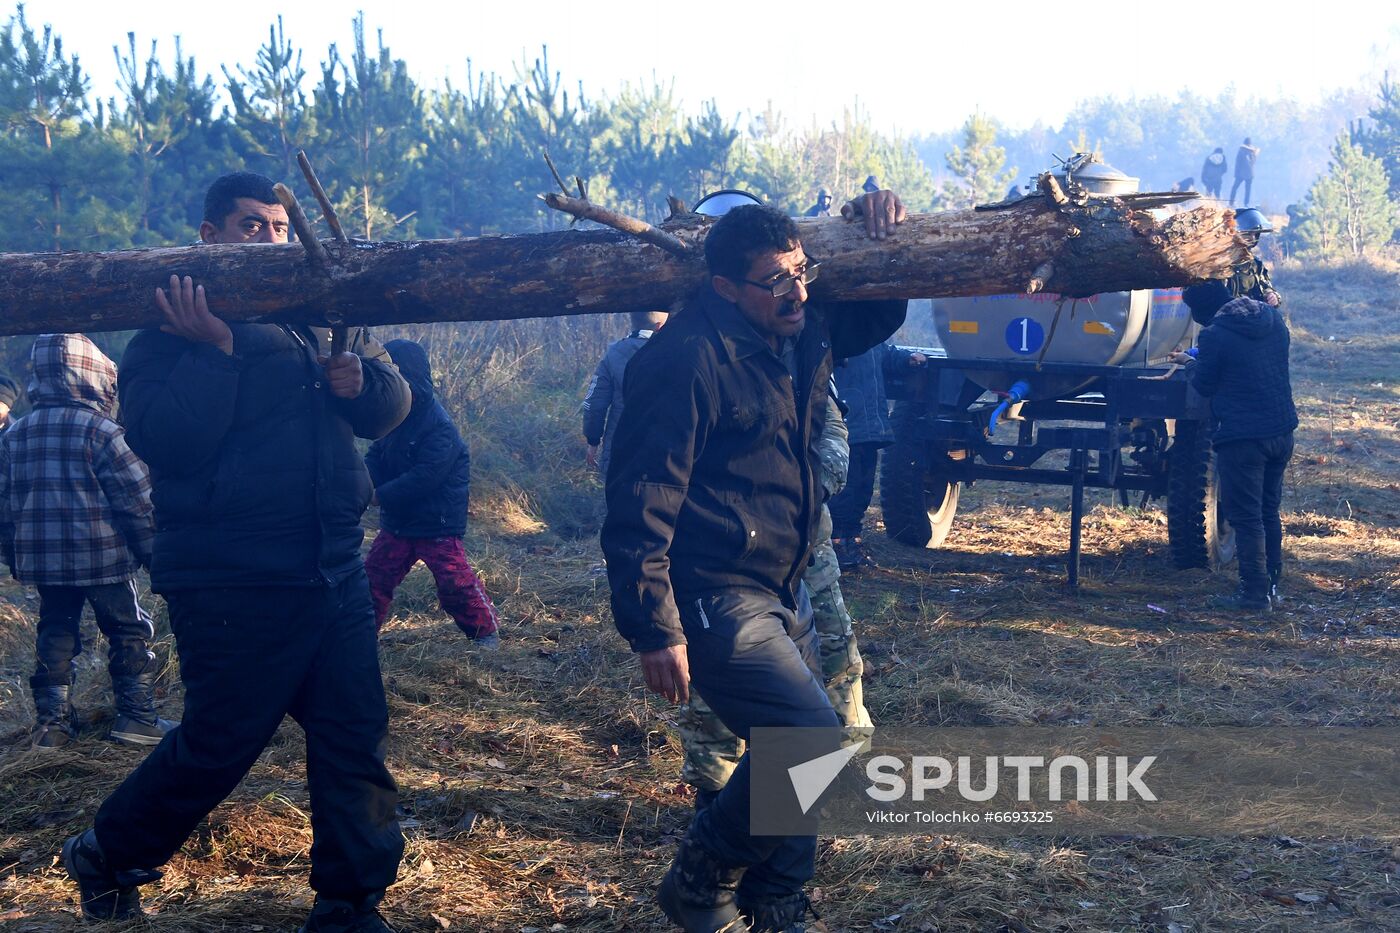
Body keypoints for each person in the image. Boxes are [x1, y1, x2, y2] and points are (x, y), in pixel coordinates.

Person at [60, 171, 411, 931]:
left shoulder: (312, 316)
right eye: (252, 226)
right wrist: (217, 352)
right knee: (221, 742)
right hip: (233, 580)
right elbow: (169, 444)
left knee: (354, 732)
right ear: (209, 238)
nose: (271, 241)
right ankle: (104, 855)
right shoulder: (159, 336)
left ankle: (350, 903)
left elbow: (390, 410)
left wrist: (362, 383)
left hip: (332, 567)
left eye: (280, 228)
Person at [602, 192, 907, 932]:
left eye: (802, 272)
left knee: (814, 744)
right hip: (712, 592)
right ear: (725, 288)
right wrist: (654, 629)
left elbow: (880, 314)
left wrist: (885, 233)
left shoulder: (796, 331)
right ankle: (701, 871)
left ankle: (777, 906)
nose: (797, 292)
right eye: (775, 280)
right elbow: (639, 500)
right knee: (806, 743)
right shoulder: (681, 363)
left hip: (784, 581)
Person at [0, 334, 173, 749]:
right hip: (104, 560)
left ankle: (51, 725)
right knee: (128, 628)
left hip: (46, 562)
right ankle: (136, 717)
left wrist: (14, 555)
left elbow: (3, 505)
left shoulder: (15, 435)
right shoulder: (104, 432)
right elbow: (137, 501)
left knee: (55, 631)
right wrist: (154, 555)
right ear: (95, 376)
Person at [365, 338, 499, 645]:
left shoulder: (439, 427)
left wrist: (379, 495)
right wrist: (366, 480)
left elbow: (425, 477)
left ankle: (485, 633)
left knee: (455, 583)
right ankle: (360, 634)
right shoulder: (391, 416)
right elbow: (376, 454)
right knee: (374, 579)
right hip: (398, 524)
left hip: (436, 523)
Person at [1174, 280, 1297, 613]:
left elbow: (1204, 385)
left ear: (1204, 310)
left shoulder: (1214, 335)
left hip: (1243, 438)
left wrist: (1188, 362)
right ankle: (1272, 586)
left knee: (1246, 518)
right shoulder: (1273, 321)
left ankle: (1254, 595)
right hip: (1281, 431)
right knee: (1268, 511)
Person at [829, 341, 927, 571]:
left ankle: (853, 542)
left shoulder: (869, 338)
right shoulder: (840, 338)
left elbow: (885, 352)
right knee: (844, 491)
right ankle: (837, 545)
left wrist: (907, 358)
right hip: (848, 427)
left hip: (870, 429)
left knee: (863, 490)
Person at [581, 310, 668, 477]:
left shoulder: (614, 354)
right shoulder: (676, 353)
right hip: (663, 447)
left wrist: (593, 441)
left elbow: (594, 404)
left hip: (619, 446)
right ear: (660, 326)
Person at [1229, 137, 1259, 206]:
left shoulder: (1241, 151)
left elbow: (1237, 163)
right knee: (1248, 189)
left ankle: (1231, 203)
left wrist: (1236, 174)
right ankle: (1246, 203)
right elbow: (1253, 162)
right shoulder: (1253, 152)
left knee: (1234, 188)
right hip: (1250, 174)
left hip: (1240, 174)